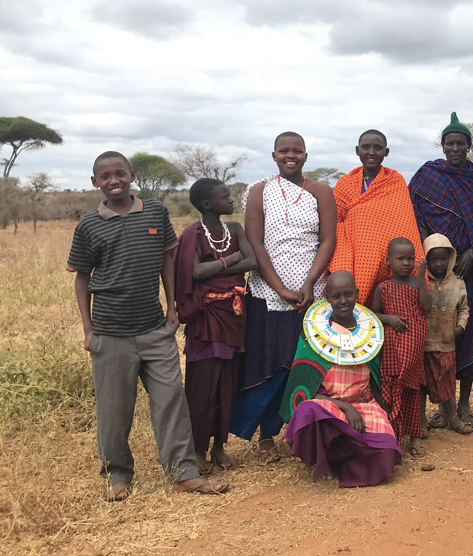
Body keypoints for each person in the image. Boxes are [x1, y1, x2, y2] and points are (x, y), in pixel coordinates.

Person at [68, 152, 227, 501]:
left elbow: (167, 259)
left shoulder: (154, 212)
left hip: (155, 329)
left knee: (171, 401)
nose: (114, 181)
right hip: (111, 334)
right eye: (105, 176)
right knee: (114, 410)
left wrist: (172, 307)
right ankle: (117, 475)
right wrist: (88, 330)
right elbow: (82, 278)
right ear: (95, 182)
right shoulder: (89, 226)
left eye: (120, 174)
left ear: (132, 175)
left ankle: (183, 473)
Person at [230, 132, 337, 462]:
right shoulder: (259, 191)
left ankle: (302, 431)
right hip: (267, 293)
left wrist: (308, 284)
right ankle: (265, 437)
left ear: (306, 156)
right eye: (283, 151)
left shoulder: (320, 191)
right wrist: (279, 288)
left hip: (313, 292)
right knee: (269, 363)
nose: (290, 156)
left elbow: (327, 241)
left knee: (305, 364)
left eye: (297, 151)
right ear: (274, 156)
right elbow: (255, 244)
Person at [408, 113, 473, 430]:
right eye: (449, 143)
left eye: (460, 143)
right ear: (442, 145)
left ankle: (465, 405)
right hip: (438, 268)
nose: (455, 148)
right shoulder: (428, 175)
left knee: (470, 334)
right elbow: (414, 216)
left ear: (470, 145)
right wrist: (429, 256)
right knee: (440, 336)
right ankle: (445, 407)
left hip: (471, 269)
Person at [280, 271, 402, 487]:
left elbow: (375, 379)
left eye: (348, 294)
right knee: (307, 411)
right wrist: (346, 408)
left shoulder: (371, 333)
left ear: (357, 293)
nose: (343, 301)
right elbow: (305, 390)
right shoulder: (313, 333)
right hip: (329, 408)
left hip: (364, 405)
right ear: (326, 297)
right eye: (336, 296)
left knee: (386, 453)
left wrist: (385, 413)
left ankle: (340, 457)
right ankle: (329, 456)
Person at [175, 179, 257, 474]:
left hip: (233, 316)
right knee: (202, 387)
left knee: (227, 385)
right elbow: (194, 271)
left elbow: (253, 261)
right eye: (225, 196)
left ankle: (219, 448)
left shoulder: (234, 229)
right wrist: (232, 259)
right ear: (208, 204)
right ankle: (197, 451)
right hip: (206, 319)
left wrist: (221, 264)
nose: (231, 199)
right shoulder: (192, 235)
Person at [330, 129, 424, 303]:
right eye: (366, 147)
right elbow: (336, 222)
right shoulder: (345, 182)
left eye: (378, 148)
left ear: (386, 152)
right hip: (353, 255)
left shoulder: (395, 180)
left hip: (389, 262)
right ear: (357, 150)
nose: (371, 153)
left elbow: (404, 223)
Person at [372, 238, 431, 457]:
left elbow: (427, 307)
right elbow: (373, 314)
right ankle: (393, 435)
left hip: (414, 343)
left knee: (411, 389)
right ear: (389, 261)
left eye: (410, 258)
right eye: (400, 259)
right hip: (392, 346)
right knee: (391, 387)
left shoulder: (417, 283)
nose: (406, 263)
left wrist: (423, 276)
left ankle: (414, 439)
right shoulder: (383, 287)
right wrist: (388, 318)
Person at [419, 233, 473, 436]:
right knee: (422, 384)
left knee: (448, 383)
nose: (439, 263)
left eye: (443, 258)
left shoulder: (458, 282)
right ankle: (421, 421)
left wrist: (460, 327)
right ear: (426, 260)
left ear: (451, 258)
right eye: (433, 259)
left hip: (447, 343)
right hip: (423, 344)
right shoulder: (422, 282)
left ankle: (453, 418)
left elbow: (464, 308)